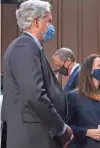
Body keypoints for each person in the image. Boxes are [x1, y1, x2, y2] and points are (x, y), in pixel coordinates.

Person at [1, 1, 73, 148]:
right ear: (36, 22)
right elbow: (35, 95)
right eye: (49, 21)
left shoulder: (30, 46)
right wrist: (61, 128)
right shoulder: (24, 46)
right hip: (33, 137)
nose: (52, 26)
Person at [67, 54, 100, 148]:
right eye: (99, 66)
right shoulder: (74, 96)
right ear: (89, 71)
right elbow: (69, 127)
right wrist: (87, 132)